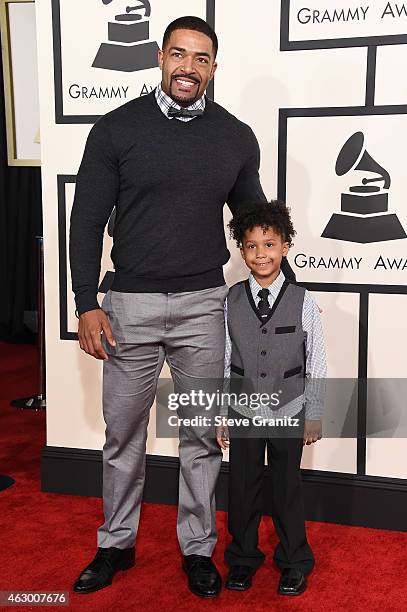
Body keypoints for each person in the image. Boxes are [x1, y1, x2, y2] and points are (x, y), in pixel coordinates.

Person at [69, 16, 295, 598]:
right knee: (123, 435)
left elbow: (252, 224)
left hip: (203, 307)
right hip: (128, 307)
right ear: (160, 58)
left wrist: (286, 290)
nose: (187, 66)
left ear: (214, 67)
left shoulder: (236, 137)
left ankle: (198, 550)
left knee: (199, 435)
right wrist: (86, 302)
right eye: (178, 54)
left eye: (201, 58)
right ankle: (115, 544)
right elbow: (87, 220)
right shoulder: (116, 129)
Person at [216, 201, 326, 596]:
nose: (261, 254)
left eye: (269, 244)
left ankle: (294, 560)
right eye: (251, 246)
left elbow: (317, 358)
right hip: (243, 410)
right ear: (241, 251)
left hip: (290, 410)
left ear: (285, 246)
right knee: (242, 487)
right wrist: (221, 414)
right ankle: (243, 559)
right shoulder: (231, 300)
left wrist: (314, 412)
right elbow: (226, 360)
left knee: (286, 487)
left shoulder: (303, 300)